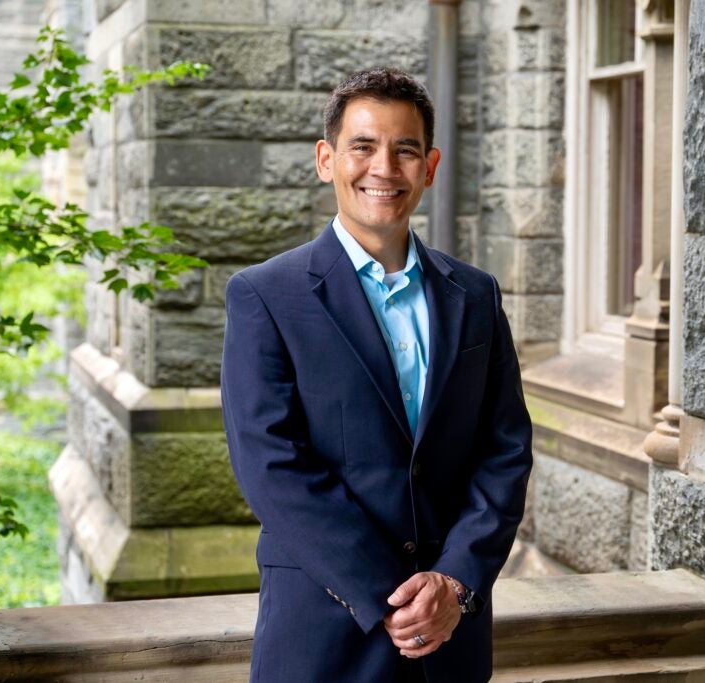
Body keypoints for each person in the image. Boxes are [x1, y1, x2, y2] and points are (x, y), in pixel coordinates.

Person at [220, 67, 533, 682]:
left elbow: (505, 451)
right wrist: (392, 593)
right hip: (323, 636)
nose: (384, 169)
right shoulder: (265, 296)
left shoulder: (476, 295)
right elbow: (271, 466)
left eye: (405, 150)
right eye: (363, 146)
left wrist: (455, 583)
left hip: (451, 638)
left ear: (430, 166)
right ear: (326, 160)